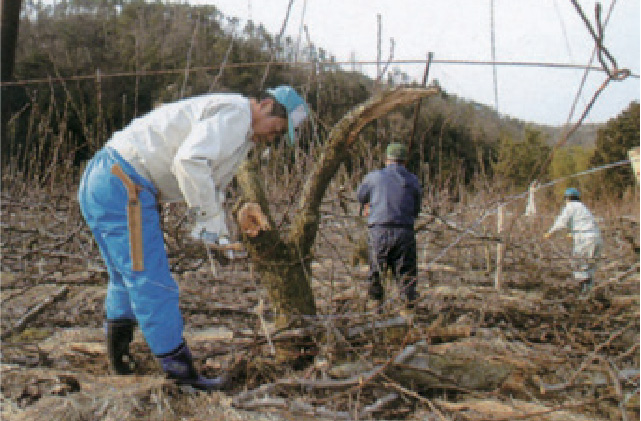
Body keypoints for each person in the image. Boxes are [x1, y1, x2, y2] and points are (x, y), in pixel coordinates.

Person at [77, 86, 308, 390]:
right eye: (275, 130)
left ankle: (119, 361)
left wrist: (219, 236)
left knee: (125, 278)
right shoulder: (237, 114)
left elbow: (212, 187)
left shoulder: (236, 129)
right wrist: (209, 223)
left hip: (109, 177)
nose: (272, 138)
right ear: (265, 105)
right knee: (152, 282)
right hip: (125, 185)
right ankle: (182, 375)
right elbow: (190, 162)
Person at [356, 143, 422, 309]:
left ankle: (374, 307)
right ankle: (408, 312)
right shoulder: (413, 180)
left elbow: (360, 196)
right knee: (406, 274)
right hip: (404, 232)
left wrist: (369, 204)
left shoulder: (373, 177)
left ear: (386, 159)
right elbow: (416, 209)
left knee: (376, 272)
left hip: (378, 231)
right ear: (404, 161)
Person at [544, 187, 602, 293]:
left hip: (584, 238)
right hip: (596, 238)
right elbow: (582, 222)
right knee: (590, 266)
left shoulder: (570, 207)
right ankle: (590, 291)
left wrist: (550, 232)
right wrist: (572, 232)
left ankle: (583, 293)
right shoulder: (583, 208)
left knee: (579, 265)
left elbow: (561, 222)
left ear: (567, 198)